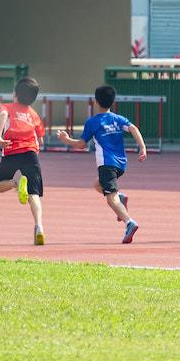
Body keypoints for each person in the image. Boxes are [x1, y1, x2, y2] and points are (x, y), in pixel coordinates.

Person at [56, 85, 147, 244]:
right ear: (112, 102)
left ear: (96, 102)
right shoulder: (118, 119)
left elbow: (82, 144)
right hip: (121, 165)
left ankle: (129, 222)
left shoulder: (92, 122)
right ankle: (121, 197)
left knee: (110, 199)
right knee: (98, 185)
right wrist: (142, 147)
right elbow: (133, 128)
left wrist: (66, 140)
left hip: (106, 164)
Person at [0, 77, 47, 245]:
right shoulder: (33, 114)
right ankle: (39, 227)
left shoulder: (7, 107)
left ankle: (16, 183)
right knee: (34, 194)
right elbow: (41, 139)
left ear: (15, 94)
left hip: (11, 151)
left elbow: (3, 114)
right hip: (30, 153)